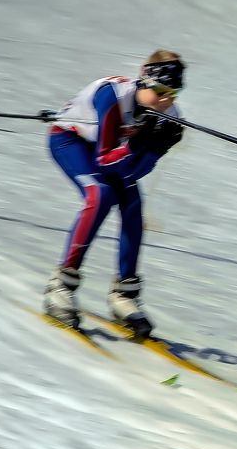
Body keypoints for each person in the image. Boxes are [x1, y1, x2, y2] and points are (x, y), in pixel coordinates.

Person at [42, 49, 186, 337]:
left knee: (132, 201)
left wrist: (156, 148)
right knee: (100, 195)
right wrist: (138, 145)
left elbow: (133, 173)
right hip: (70, 141)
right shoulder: (112, 95)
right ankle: (61, 285)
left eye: (173, 93)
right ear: (144, 81)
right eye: (158, 90)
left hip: (112, 156)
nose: (165, 100)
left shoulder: (170, 115)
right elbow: (103, 160)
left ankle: (125, 294)